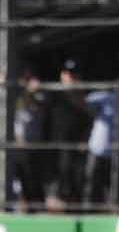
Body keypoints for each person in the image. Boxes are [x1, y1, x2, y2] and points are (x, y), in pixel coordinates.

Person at [46, 62, 90, 206]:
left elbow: (89, 119)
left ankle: (72, 203)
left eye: (73, 75)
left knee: (74, 176)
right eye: (66, 74)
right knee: (56, 175)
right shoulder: (54, 94)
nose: (69, 78)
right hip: (53, 145)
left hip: (76, 147)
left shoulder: (83, 98)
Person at [10, 72, 49, 210]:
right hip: (17, 148)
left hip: (33, 148)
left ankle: (37, 209)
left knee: (34, 183)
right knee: (19, 182)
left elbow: (42, 105)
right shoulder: (14, 96)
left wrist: (32, 92)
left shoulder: (40, 96)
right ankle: (22, 206)